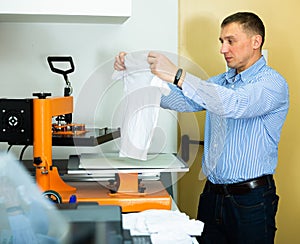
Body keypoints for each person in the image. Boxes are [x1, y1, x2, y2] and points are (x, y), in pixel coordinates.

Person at [114, 12, 289, 244]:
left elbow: (233, 104)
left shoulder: (271, 84)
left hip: (251, 201)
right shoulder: (220, 82)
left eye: (230, 41)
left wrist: (178, 75)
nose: (223, 49)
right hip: (212, 195)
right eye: (221, 41)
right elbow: (181, 100)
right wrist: (140, 74)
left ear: (256, 42)